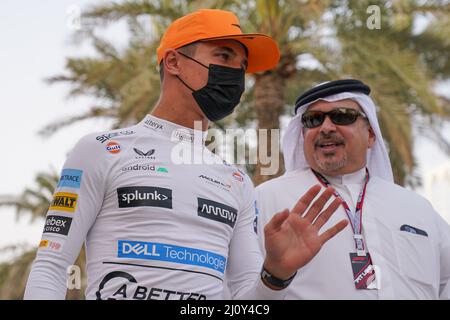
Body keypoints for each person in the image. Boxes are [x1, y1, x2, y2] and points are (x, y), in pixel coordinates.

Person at [24, 9, 347, 300]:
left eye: (242, 67)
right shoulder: (101, 151)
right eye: (223, 56)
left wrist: (276, 275)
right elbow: (52, 265)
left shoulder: (236, 181)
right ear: (174, 62)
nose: (235, 75)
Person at [256, 79, 450, 299]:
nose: (326, 127)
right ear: (302, 136)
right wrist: (274, 274)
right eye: (313, 120)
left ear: (370, 135)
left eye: (342, 116)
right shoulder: (268, 198)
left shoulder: (416, 208)